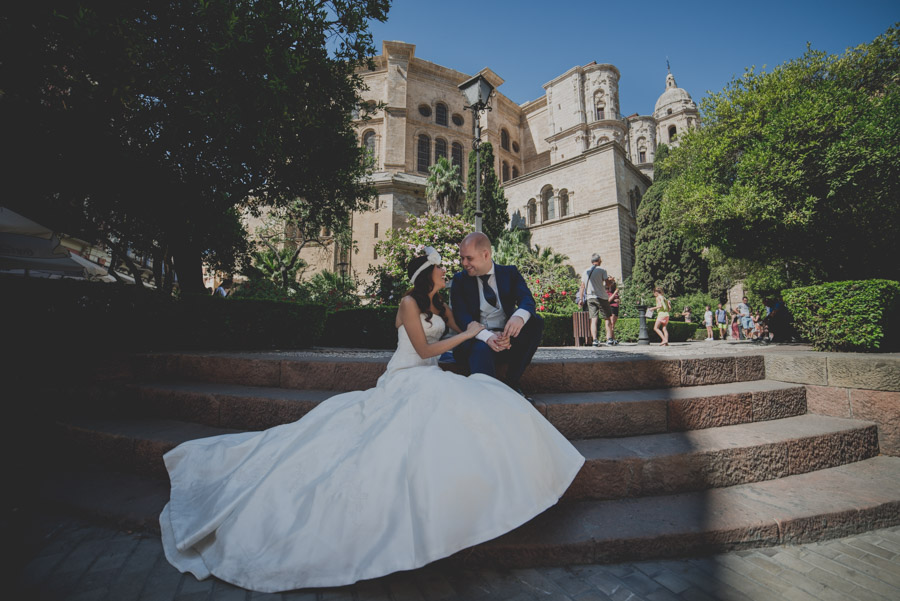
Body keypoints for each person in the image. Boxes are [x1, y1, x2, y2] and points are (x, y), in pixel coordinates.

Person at [159, 248, 584, 593]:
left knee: (483, 399)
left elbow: (463, 323)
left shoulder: (439, 303)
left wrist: (483, 332)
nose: (447, 270)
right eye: (440, 266)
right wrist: (468, 336)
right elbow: (424, 352)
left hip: (431, 379)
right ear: (427, 273)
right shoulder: (407, 303)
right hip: (408, 376)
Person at [451, 232, 545, 397]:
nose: (464, 263)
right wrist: (487, 336)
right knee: (480, 348)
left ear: (486, 254)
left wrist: (518, 317)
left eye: (469, 258)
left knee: (535, 322)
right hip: (476, 340)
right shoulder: (460, 280)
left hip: (507, 340)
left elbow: (527, 300)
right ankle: (488, 396)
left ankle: (512, 382)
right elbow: (461, 317)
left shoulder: (510, 273)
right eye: (462, 258)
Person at [573, 253, 613, 347]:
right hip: (601, 297)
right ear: (599, 261)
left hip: (590, 298)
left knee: (593, 319)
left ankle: (595, 340)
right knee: (607, 318)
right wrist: (611, 281)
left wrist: (581, 299)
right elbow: (608, 285)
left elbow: (582, 287)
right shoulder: (602, 270)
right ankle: (609, 339)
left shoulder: (585, 271)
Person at [605, 276, 620, 345]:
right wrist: (614, 295)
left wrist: (618, 300)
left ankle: (613, 339)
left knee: (613, 324)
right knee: (611, 324)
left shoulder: (614, 291)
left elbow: (618, 299)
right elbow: (608, 300)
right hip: (611, 308)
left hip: (616, 308)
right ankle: (610, 338)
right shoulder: (607, 292)